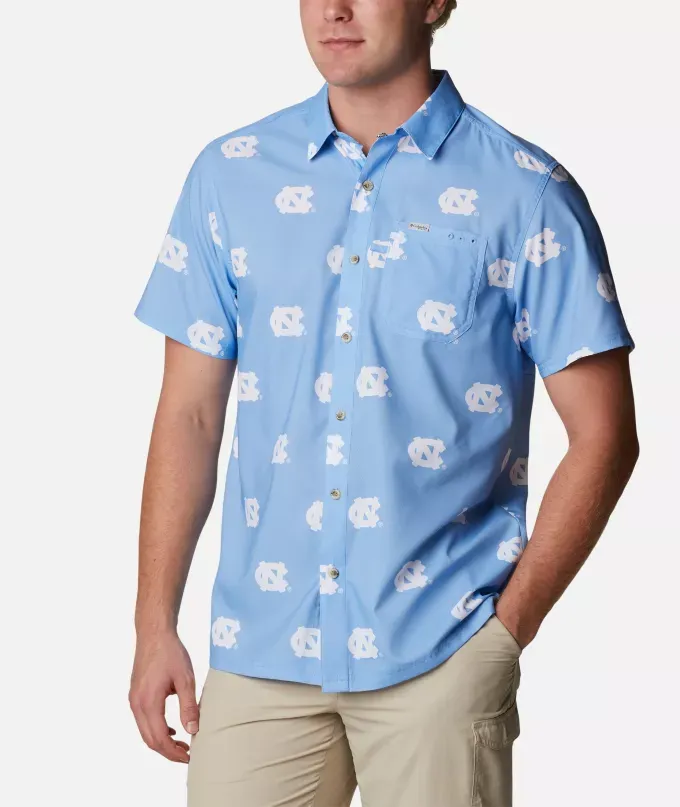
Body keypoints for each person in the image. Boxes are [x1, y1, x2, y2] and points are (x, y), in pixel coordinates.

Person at [129, 1, 639, 804]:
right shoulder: (229, 176)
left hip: (439, 649)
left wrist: (506, 632)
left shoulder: (525, 192)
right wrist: (154, 622)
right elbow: (189, 416)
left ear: (435, 2)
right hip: (260, 650)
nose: (335, 9)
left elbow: (605, 435)